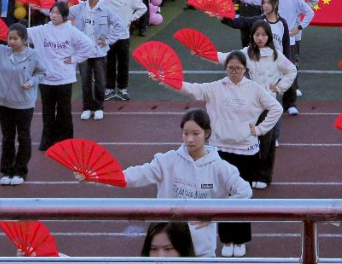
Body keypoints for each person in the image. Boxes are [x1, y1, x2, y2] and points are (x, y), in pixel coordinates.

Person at [153, 50, 281, 257]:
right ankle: (226, 240)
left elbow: (276, 108)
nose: (234, 72)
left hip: (246, 152)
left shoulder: (255, 89)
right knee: (220, 196)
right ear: (225, 68)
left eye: (238, 68)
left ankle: (240, 240)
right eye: (230, 68)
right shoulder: (215, 88)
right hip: (220, 151)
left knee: (241, 197)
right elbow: (190, 89)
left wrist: (260, 129)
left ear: (245, 69)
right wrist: (165, 79)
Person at [82, 110, 250, 258]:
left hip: (201, 248)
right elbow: (136, 175)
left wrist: (215, 213)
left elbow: (244, 191)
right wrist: (97, 176)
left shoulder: (220, 168)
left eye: (195, 133)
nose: (190, 139)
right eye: (185, 133)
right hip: (169, 246)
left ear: (207, 133)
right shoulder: (168, 161)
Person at [211, 22, 296, 189]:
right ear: (252, 36)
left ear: (269, 37)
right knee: (248, 140)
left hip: (267, 105)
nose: (260, 38)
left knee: (267, 141)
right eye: (257, 35)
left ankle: (264, 176)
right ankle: (250, 174)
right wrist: (203, 53)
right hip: (249, 104)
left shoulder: (276, 55)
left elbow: (291, 70)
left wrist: (279, 87)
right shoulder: (246, 53)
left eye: (263, 35)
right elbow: (224, 58)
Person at [0, 24, 45, 186]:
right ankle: (6, 170)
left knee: (23, 136)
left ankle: (20, 170)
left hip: (24, 104)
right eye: (9, 38)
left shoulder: (33, 55)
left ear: (24, 40)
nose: (11, 42)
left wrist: (32, 82)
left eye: (15, 39)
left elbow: (41, 72)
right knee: (7, 137)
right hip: (4, 103)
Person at [26, 2, 98, 151]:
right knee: (47, 111)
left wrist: (75, 58)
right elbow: (22, 35)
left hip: (64, 79)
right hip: (45, 79)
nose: (53, 15)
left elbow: (90, 46)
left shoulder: (71, 31)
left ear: (64, 16)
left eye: (57, 13)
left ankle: (65, 141)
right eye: (52, 12)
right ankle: (47, 141)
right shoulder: (42, 30)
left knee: (64, 111)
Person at [68, 0, 126, 121]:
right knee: (85, 81)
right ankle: (87, 107)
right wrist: (42, 8)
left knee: (100, 81)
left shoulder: (105, 9)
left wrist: (108, 40)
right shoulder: (80, 7)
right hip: (83, 52)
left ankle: (99, 107)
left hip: (99, 51)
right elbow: (62, 13)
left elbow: (120, 25)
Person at [102, 0, 148, 100]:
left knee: (123, 64)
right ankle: (109, 88)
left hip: (123, 37)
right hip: (110, 37)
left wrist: (131, 19)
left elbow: (143, 8)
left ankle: (123, 89)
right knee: (109, 64)